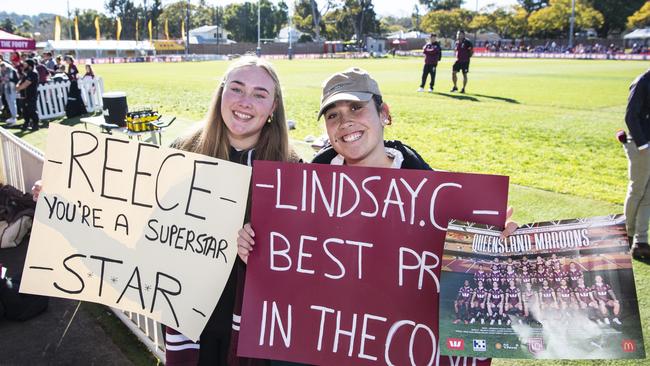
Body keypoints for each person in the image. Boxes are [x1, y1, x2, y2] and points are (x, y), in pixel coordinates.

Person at [165, 56, 300, 366]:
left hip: (251, 321)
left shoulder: (290, 168)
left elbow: (300, 254)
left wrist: (263, 248)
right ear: (221, 93)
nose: (245, 102)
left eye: (259, 94)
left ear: (274, 106)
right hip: (187, 315)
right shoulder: (182, 150)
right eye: (236, 89)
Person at [623, 69, 650, 261]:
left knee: (648, 194)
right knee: (637, 191)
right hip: (642, 146)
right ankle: (626, 235)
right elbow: (631, 116)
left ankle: (640, 242)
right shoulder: (642, 81)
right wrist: (643, 145)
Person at [15, 59, 39, 131]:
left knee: (32, 110)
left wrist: (18, 88)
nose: (24, 66)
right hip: (24, 95)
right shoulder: (27, 73)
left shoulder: (33, 73)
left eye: (25, 64)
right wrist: (18, 86)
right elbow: (21, 81)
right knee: (25, 111)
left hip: (31, 95)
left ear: (30, 66)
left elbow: (26, 84)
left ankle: (35, 124)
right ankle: (26, 124)